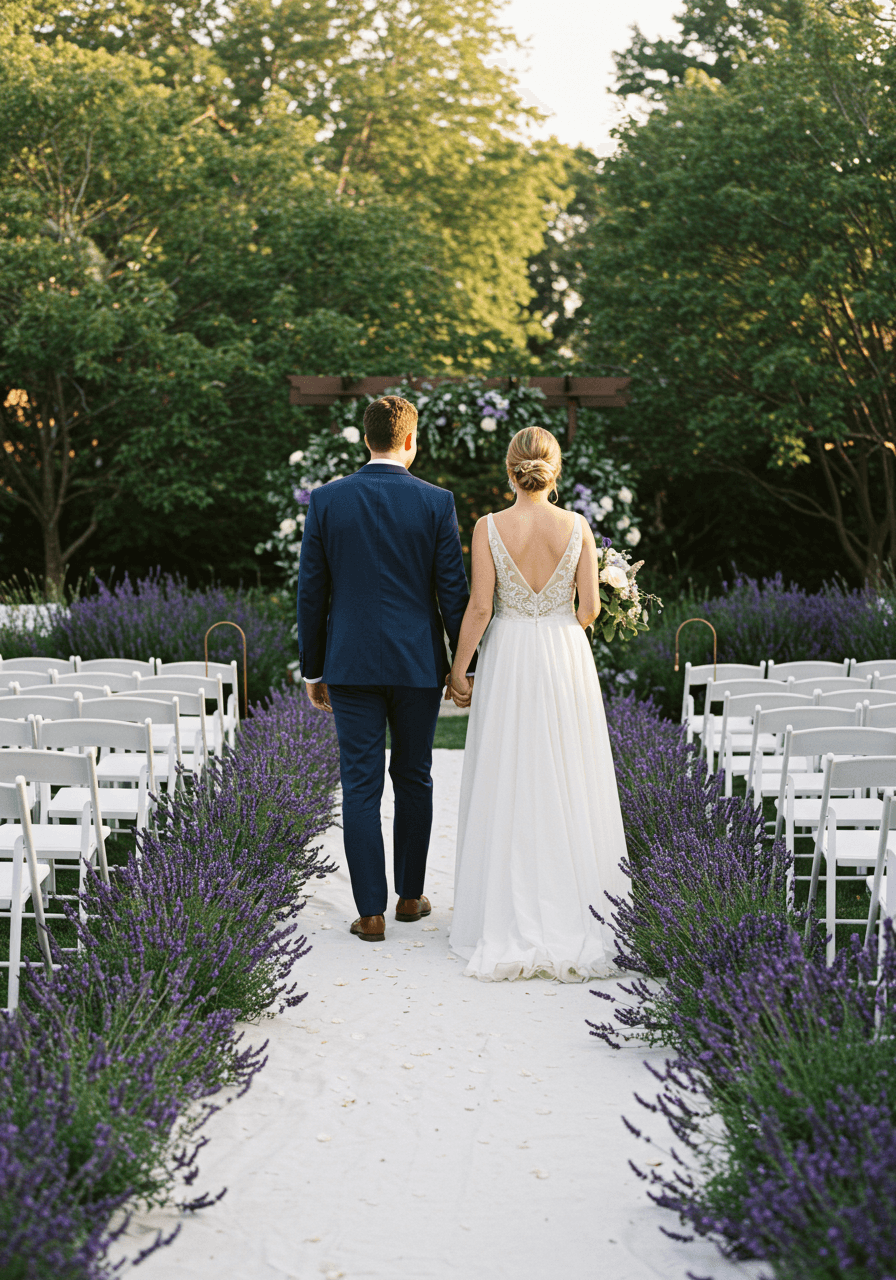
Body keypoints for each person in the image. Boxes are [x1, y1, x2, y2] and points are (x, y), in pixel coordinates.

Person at [447, 426, 630, 981]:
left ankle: (503, 909)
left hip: (507, 655)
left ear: (510, 470)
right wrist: (559, 629)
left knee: (510, 771)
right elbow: (591, 608)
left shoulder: (487, 527)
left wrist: (459, 668)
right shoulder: (577, 527)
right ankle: (575, 905)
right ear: (555, 468)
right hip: (561, 652)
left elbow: (480, 607)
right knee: (568, 772)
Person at [297, 395, 474, 943]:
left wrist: (312, 669)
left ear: (365, 437)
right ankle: (408, 897)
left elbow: (311, 590)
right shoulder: (435, 501)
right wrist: (460, 665)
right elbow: (453, 591)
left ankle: (369, 912)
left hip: (348, 663)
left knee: (360, 784)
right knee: (414, 778)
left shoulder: (327, 500)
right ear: (411, 441)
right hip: (417, 663)